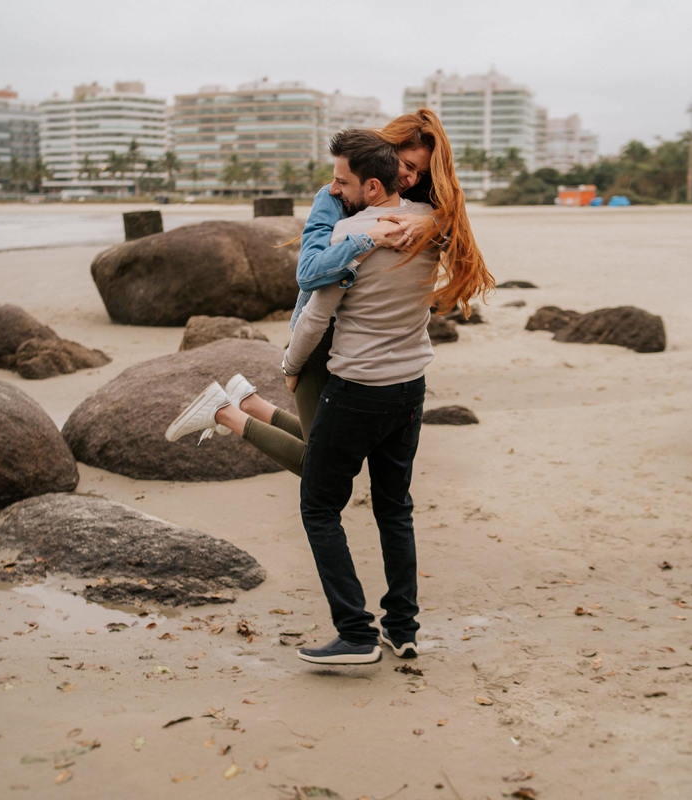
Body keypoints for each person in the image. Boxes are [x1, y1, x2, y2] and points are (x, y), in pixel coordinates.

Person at [166, 128, 493, 665]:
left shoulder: (348, 234)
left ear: (369, 183)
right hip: (410, 387)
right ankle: (402, 629)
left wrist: (290, 367)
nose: (334, 188)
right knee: (395, 508)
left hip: (357, 386)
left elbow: (316, 313)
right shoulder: (430, 230)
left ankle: (356, 634)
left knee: (319, 507)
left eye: (342, 180)